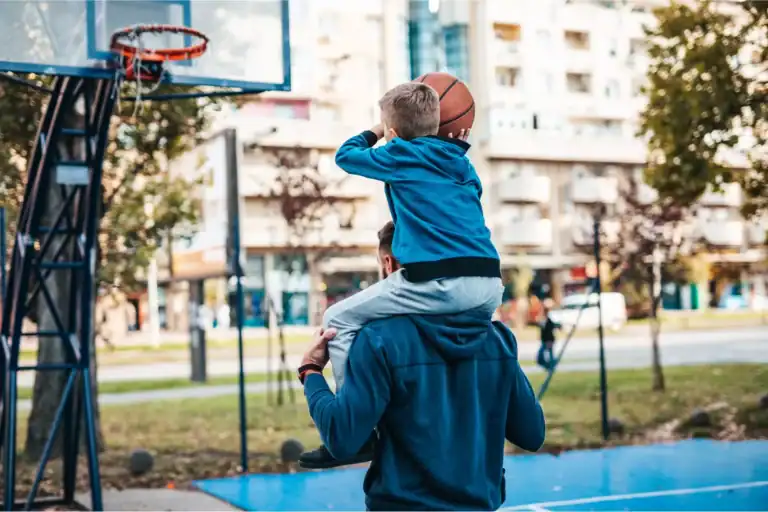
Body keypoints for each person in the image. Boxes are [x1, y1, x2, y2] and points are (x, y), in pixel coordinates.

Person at [301, 81, 504, 468]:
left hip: (439, 281)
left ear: (393, 134)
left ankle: (357, 430)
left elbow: (346, 156)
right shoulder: (463, 163)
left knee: (337, 319)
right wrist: (450, 145)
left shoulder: (398, 156)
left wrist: (378, 132)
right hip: (489, 284)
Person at [297, 221, 546, 510]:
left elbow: (343, 438)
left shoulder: (377, 341)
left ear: (389, 264)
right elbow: (532, 434)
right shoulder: (497, 339)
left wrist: (311, 371)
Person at [537, 298, 560, 371]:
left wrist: (549, 341)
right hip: (544, 340)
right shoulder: (543, 318)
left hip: (549, 340)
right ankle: (550, 366)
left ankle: (552, 366)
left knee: (547, 356)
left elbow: (550, 330)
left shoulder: (549, 318)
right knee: (543, 356)